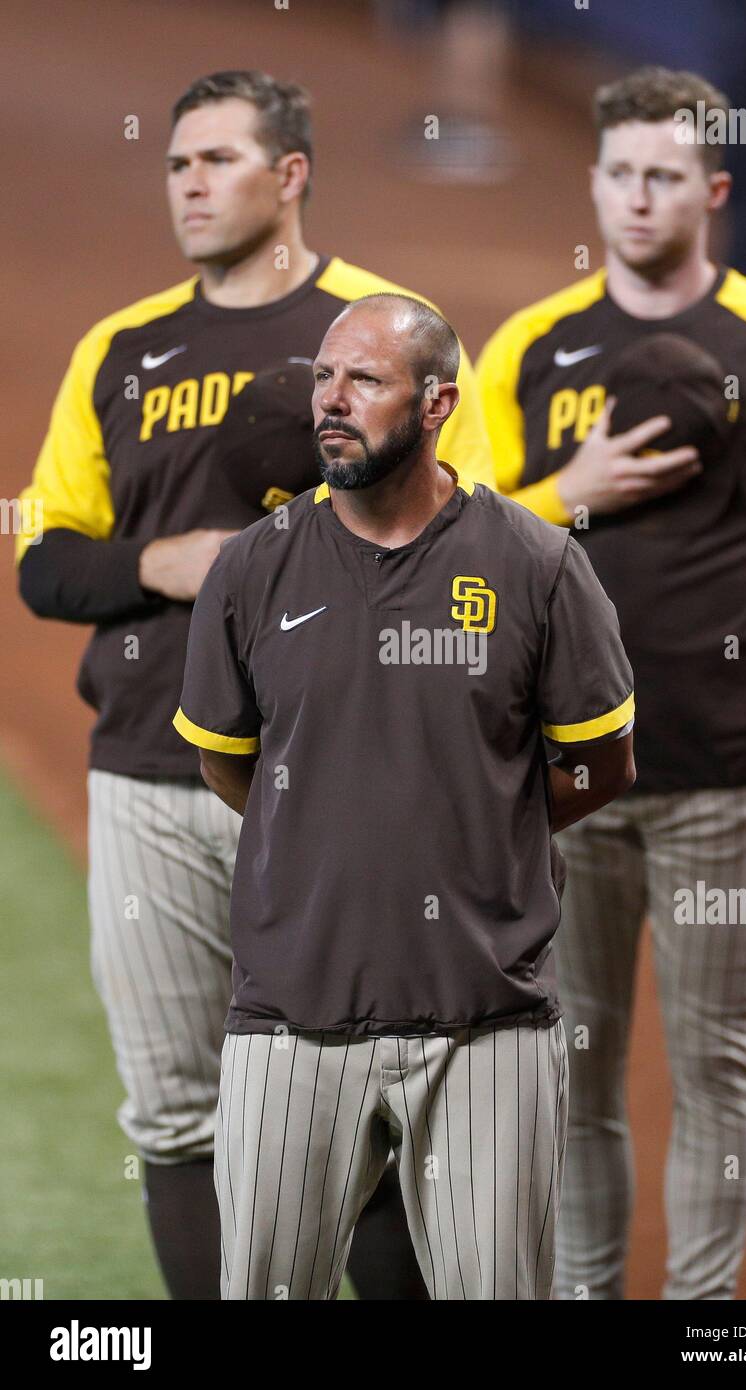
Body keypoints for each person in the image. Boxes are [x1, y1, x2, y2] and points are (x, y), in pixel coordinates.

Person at [15, 69, 494, 1301]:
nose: (188, 183)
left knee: (366, 1114)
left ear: (289, 176)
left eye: (218, 160)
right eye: (177, 163)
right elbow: (46, 557)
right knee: (178, 1112)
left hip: (332, 788)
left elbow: (474, 545)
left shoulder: (386, 332)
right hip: (147, 775)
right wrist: (156, 562)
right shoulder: (120, 350)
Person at [476, 65, 746, 1299]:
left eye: (661, 178)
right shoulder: (529, 348)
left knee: (714, 1063)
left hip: (722, 777)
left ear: (711, 188)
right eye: (617, 176)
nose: (636, 201)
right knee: (575, 1073)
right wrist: (564, 496)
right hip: (566, 785)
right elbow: (454, 558)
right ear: (591, 182)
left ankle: (703, 1320)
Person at [173, 292, 636, 1300]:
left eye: (364, 381)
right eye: (324, 378)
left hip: (486, 1019)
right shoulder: (252, 569)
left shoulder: (537, 565)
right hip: (289, 1014)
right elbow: (225, 758)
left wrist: (476, 825)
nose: (330, 403)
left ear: (435, 405)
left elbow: (600, 763)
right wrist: (332, 821)